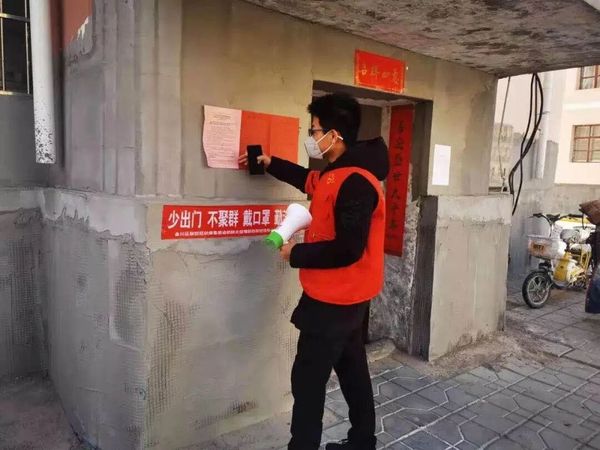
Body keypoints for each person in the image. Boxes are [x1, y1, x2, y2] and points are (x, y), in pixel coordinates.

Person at [240, 93, 389, 450]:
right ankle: (362, 442)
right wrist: (270, 162)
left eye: (315, 130)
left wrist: (296, 253)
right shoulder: (335, 174)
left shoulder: (355, 182)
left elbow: (348, 248)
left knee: (307, 381)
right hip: (346, 297)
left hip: (334, 300)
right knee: (353, 372)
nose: (312, 136)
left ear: (334, 135)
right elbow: (306, 179)